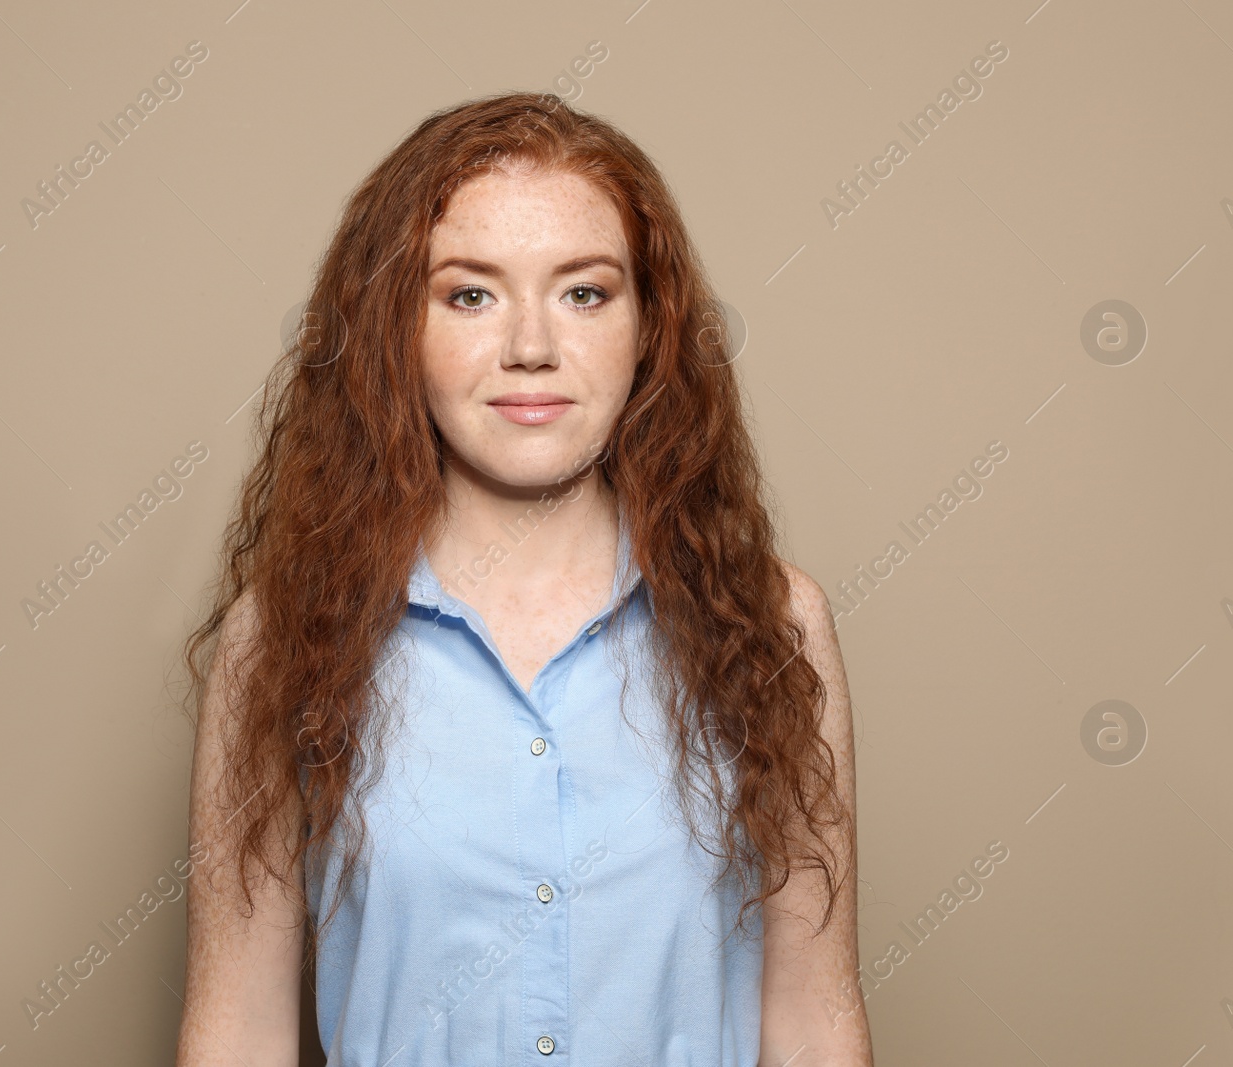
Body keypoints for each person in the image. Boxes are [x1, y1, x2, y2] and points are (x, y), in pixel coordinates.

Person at [176, 90, 872, 1066]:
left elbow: (813, 1026)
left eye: (583, 292)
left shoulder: (775, 624)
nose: (531, 347)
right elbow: (237, 1031)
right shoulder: (283, 635)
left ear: (648, 327)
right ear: (395, 330)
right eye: (470, 294)